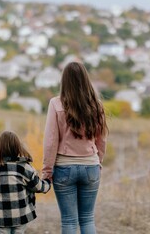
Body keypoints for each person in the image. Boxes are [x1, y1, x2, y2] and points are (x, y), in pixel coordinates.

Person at [42, 62, 108, 234]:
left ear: (64, 81)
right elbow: (102, 139)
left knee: (69, 221)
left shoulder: (56, 104)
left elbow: (50, 141)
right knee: (87, 218)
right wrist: (97, 161)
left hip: (64, 169)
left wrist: (47, 171)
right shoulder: (96, 105)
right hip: (90, 167)